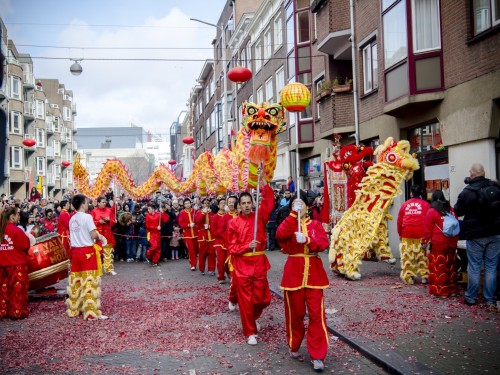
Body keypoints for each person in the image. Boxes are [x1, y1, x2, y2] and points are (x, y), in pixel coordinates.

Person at [276, 190, 330, 372]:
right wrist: (293, 215)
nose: (299, 207)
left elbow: (323, 243)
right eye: (294, 204)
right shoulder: (289, 224)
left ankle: (317, 355)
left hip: (314, 274)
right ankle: (294, 344)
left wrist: (307, 239)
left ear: (308, 206)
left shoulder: (316, 224)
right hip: (293, 273)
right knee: (295, 314)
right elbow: (280, 235)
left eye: (301, 203)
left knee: (317, 315)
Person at [226, 175, 274, 346]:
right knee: (245, 301)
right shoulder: (233, 223)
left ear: (253, 203)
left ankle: (253, 319)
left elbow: (268, 202)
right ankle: (250, 331)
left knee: (263, 299)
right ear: (239, 206)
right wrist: (247, 245)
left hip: (259, 263)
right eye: (243, 203)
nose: (246, 205)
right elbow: (231, 248)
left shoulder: (259, 217)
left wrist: (265, 184)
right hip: (242, 266)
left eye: (249, 202)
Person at [454, 163, 500, 309]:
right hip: (495, 233)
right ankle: (490, 299)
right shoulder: (494, 187)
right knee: (491, 266)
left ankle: (471, 297)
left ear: (472, 174)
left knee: (474, 266)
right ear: (483, 173)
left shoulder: (467, 191)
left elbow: (458, 211)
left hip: (475, 234)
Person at [65, 194, 108, 320]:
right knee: (89, 282)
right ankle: (90, 312)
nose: (88, 204)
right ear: (83, 204)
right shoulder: (87, 217)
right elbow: (93, 234)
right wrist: (100, 236)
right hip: (87, 252)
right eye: (87, 202)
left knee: (76, 282)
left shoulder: (72, 218)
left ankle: (74, 309)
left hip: (75, 252)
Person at [422, 190, 459, 297]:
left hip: (438, 243)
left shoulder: (432, 211)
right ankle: (452, 289)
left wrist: (424, 242)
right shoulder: (451, 210)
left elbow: (427, 229)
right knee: (451, 266)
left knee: (439, 267)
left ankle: (441, 291)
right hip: (452, 242)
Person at [0, 206, 31, 319]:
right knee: (17, 291)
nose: (19, 216)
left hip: (2, 265)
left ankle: (3, 311)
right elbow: (25, 245)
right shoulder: (16, 230)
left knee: (3, 291)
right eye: (17, 214)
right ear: (12, 216)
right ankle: (16, 312)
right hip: (17, 265)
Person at [397, 185, 430, 285]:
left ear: (411, 193)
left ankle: (409, 277)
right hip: (421, 232)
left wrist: (400, 234)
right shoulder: (426, 204)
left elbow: (399, 221)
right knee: (422, 254)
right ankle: (424, 276)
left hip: (407, 232)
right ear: (420, 193)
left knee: (407, 255)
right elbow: (428, 220)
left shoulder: (404, 205)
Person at [91, 196, 117, 276]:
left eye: (105, 202)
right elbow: (91, 223)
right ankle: (97, 269)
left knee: (108, 251)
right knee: (97, 252)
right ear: (98, 203)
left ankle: (109, 269)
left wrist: (109, 221)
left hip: (107, 233)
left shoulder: (109, 211)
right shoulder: (94, 211)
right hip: (98, 234)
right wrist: (99, 222)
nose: (104, 203)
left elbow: (113, 222)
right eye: (102, 202)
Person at [195, 198, 216, 275]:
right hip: (203, 236)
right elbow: (197, 221)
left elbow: (214, 224)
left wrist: (209, 226)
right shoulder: (199, 213)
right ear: (202, 204)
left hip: (211, 236)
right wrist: (203, 213)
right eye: (205, 203)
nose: (206, 205)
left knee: (212, 254)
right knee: (202, 253)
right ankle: (201, 268)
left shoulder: (212, 214)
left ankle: (211, 269)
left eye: (207, 203)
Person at [178, 198, 198, 271]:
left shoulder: (195, 211)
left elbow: (198, 220)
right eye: (186, 203)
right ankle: (193, 264)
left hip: (196, 233)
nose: (187, 205)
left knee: (195, 249)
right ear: (184, 205)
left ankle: (194, 261)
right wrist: (189, 225)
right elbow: (181, 223)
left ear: (190, 203)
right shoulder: (182, 213)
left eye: (188, 203)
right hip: (187, 234)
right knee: (191, 250)